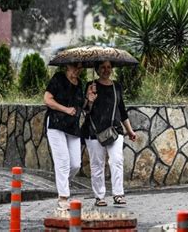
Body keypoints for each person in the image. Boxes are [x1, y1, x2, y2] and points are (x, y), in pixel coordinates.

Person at [83, 60, 137, 207]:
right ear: (97, 69)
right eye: (102, 67)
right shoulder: (90, 85)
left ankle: (118, 194)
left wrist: (130, 131)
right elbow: (85, 110)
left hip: (115, 131)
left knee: (117, 160)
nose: (106, 70)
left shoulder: (116, 86)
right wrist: (90, 99)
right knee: (97, 164)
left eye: (108, 67)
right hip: (94, 132)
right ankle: (99, 196)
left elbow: (122, 110)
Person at [44, 63, 95, 211]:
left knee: (75, 164)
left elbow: (83, 107)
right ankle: (63, 198)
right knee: (63, 161)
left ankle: (62, 186)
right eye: (75, 67)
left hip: (72, 127)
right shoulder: (58, 78)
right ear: (67, 66)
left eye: (80, 68)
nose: (77, 70)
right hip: (56, 123)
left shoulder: (80, 84)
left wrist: (89, 99)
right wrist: (65, 109)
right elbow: (47, 99)